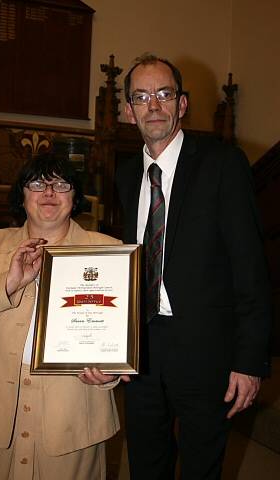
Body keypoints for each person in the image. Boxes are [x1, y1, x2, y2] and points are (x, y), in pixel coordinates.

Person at [116, 53, 272, 479]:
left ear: (181, 104)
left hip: (207, 352)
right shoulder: (126, 176)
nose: (153, 105)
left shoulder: (223, 165)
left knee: (202, 467)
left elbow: (251, 270)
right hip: (141, 350)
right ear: (129, 111)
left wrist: (250, 360)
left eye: (164, 94)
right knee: (146, 463)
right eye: (141, 96)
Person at [0, 153, 123, 480]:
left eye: (61, 185)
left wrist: (112, 372)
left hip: (73, 413)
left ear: (75, 196)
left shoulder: (108, 250)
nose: (49, 193)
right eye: (37, 183)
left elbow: (117, 337)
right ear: (22, 194)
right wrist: (10, 281)